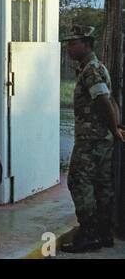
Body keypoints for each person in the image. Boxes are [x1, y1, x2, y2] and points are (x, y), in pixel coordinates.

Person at [60, 25, 125, 253]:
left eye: (73, 43)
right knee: (101, 185)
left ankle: (88, 234)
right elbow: (110, 99)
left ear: (87, 44)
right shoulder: (94, 67)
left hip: (92, 140)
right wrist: (114, 127)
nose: (69, 48)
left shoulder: (91, 70)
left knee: (78, 181)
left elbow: (104, 101)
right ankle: (104, 233)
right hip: (100, 138)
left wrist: (114, 127)